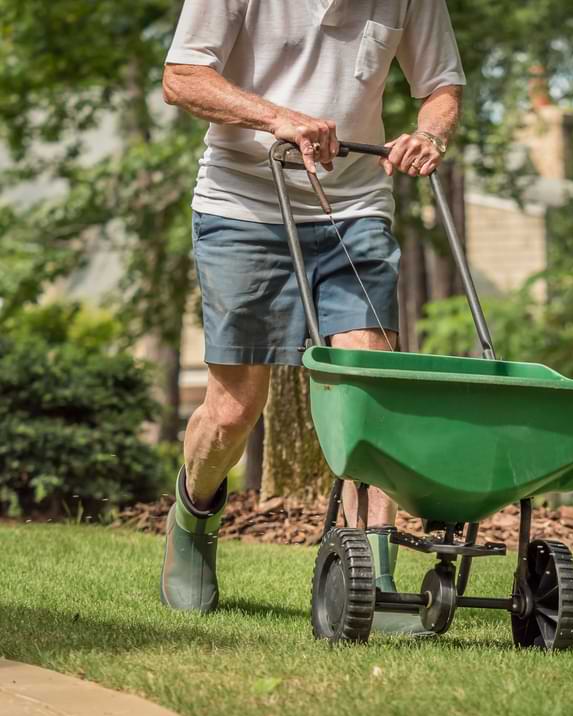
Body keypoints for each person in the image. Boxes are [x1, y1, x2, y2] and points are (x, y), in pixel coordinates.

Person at [159, 0, 464, 613]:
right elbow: (182, 77)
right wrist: (277, 117)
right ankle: (192, 521)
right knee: (234, 409)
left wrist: (429, 133)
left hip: (354, 210)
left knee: (368, 396)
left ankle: (371, 578)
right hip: (241, 205)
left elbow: (442, 86)